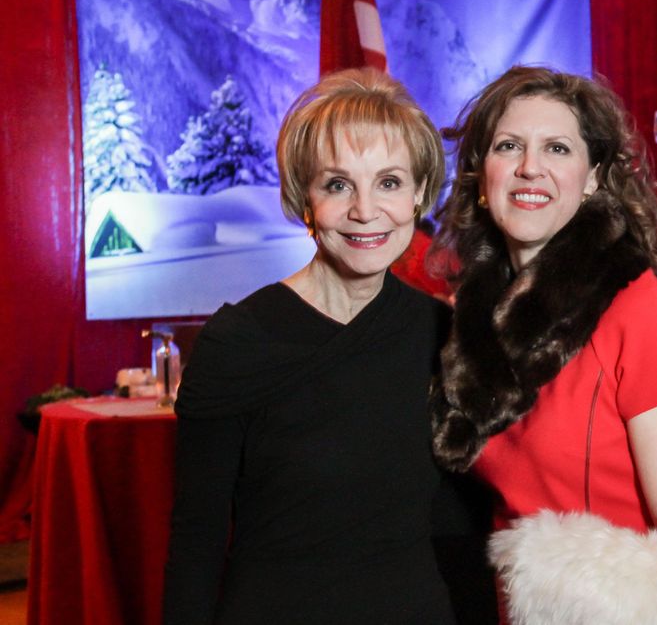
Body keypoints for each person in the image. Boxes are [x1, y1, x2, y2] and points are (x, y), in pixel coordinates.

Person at [162, 68, 458, 624]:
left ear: (419, 194)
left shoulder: (443, 336)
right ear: (305, 198)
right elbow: (197, 540)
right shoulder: (236, 342)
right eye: (338, 184)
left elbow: (456, 531)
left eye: (389, 182)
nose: (365, 210)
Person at [429, 66, 657, 559]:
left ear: (592, 179)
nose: (530, 167)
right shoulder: (471, 319)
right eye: (509, 146)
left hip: (618, 595)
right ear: (482, 177)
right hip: (512, 592)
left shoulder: (642, 315)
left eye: (557, 149)